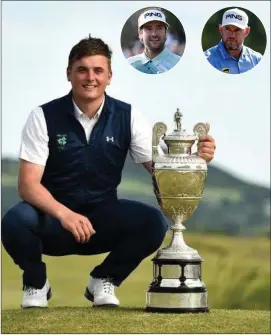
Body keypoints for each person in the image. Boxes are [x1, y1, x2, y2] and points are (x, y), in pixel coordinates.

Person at [1, 35, 216, 309]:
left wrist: (194, 161)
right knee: (14, 222)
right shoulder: (43, 116)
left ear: (109, 76)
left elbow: (160, 171)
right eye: (82, 69)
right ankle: (36, 282)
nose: (90, 77)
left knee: (153, 223)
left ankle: (104, 279)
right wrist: (65, 214)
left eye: (98, 70)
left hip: (102, 220)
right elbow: (28, 185)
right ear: (69, 74)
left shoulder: (129, 117)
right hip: (53, 220)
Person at [204, 8, 262, 74]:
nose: (232, 35)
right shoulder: (207, 60)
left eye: (237, 30)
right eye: (228, 29)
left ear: (246, 32)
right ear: (220, 29)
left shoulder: (257, 60)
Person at [127, 8, 181, 74]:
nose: (154, 34)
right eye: (148, 29)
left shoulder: (179, 63)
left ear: (166, 33)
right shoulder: (130, 65)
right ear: (140, 34)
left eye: (159, 28)